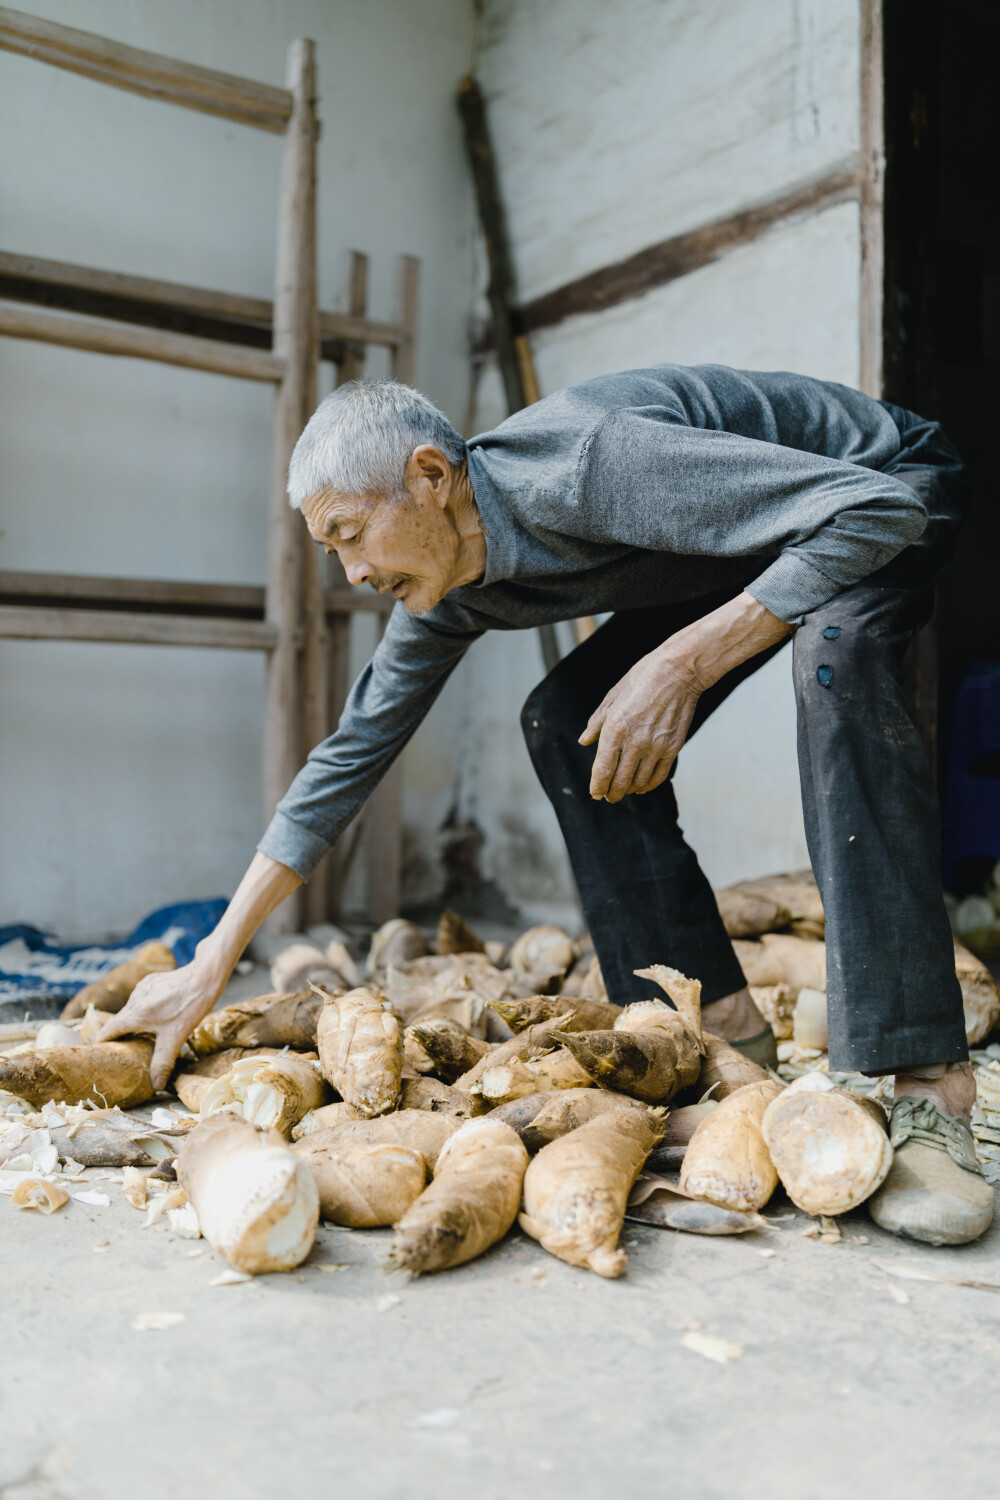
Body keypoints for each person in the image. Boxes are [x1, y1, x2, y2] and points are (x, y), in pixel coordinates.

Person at [102, 365, 990, 1245]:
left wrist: (682, 664)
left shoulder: (591, 467)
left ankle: (925, 1086)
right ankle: (713, 1030)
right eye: (332, 550)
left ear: (430, 477)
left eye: (350, 534)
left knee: (832, 656)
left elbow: (879, 510)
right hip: (754, 541)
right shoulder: (449, 589)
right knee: (567, 718)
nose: (351, 571)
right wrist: (215, 957)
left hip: (882, 484)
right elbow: (348, 757)